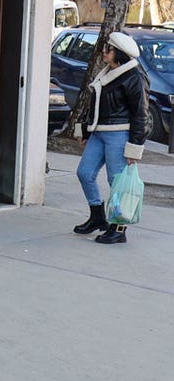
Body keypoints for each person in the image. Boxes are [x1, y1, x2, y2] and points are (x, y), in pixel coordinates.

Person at [73, 31, 149, 244]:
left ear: (120, 54)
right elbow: (92, 105)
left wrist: (134, 147)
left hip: (119, 135)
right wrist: (85, 131)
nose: (104, 51)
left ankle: (119, 228)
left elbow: (141, 114)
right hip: (99, 133)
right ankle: (98, 217)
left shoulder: (135, 77)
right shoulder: (107, 72)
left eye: (108, 49)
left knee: (117, 181)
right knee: (84, 173)